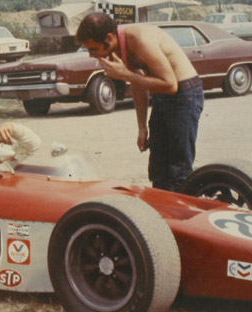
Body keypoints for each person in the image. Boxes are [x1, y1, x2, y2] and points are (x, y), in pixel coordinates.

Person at [76, 13, 204, 191]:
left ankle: (185, 216)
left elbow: (171, 85)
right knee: (158, 169)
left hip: (184, 93)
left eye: (94, 49)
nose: (92, 56)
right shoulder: (119, 46)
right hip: (162, 94)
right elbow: (138, 84)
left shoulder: (139, 40)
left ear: (109, 38)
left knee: (178, 170)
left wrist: (126, 75)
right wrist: (142, 127)